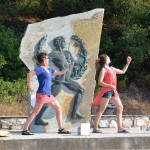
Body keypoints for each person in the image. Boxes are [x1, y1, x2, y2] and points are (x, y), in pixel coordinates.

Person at [22, 52, 71, 135]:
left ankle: (61, 129)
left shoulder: (49, 69)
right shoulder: (40, 69)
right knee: (35, 112)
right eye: (47, 58)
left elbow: (61, 72)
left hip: (48, 95)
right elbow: (29, 73)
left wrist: (68, 67)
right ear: (44, 60)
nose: (48, 60)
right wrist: (30, 86)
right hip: (42, 94)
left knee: (59, 109)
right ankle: (25, 130)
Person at [91, 54, 132, 133]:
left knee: (120, 107)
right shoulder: (103, 69)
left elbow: (123, 71)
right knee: (101, 109)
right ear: (105, 60)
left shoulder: (112, 68)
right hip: (107, 91)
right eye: (108, 57)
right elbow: (100, 82)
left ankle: (120, 128)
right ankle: (95, 128)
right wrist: (109, 85)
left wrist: (128, 63)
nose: (109, 57)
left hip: (113, 91)